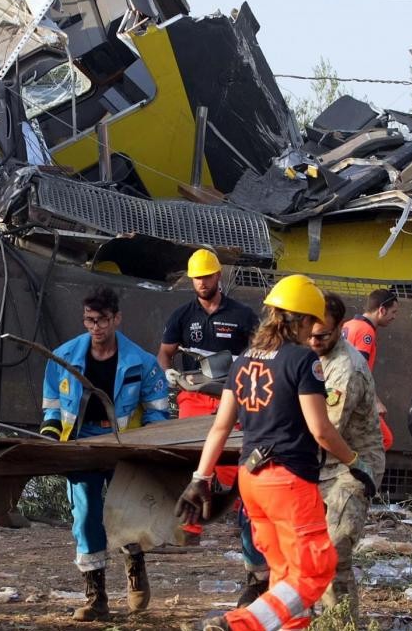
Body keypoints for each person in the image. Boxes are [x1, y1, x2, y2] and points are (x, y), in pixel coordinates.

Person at [177, 275, 369, 631]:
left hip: (252, 481)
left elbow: (220, 428)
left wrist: (199, 479)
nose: (314, 331)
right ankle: (239, 624)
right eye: (312, 322)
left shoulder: (243, 360)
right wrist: (356, 463)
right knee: (316, 569)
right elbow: (321, 430)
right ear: (301, 320)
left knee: (285, 575)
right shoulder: (302, 361)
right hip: (289, 483)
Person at [40, 286, 170, 621]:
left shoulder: (141, 363)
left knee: (126, 512)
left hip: (124, 444)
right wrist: (52, 433)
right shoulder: (63, 358)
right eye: (89, 320)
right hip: (82, 442)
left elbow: (157, 410)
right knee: (85, 515)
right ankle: (95, 596)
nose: (95, 327)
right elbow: (53, 406)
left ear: (116, 319)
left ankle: (135, 563)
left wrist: (148, 446)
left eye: (101, 320)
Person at [155, 249, 267, 601]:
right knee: (193, 459)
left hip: (230, 397)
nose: (202, 282)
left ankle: (240, 519)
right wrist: (167, 373)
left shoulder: (242, 315)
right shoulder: (182, 315)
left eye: (207, 276)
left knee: (233, 462)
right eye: (196, 278)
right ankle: (190, 527)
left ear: (219, 276)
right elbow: (165, 351)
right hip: (193, 396)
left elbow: (261, 351)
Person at [309, 293, 384, 624]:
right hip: (317, 463)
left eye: (322, 335)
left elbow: (325, 431)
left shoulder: (346, 368)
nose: (314, 342)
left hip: (353, 465)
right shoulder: (306, 353)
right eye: (309, 334)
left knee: (334, 550)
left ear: (340, 328)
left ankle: (342, 624)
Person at [341, 288, 399, 451]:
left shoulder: (348, 325)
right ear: (381, 310)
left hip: (343, 397)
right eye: (393, 312)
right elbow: (358, 371)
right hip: (356, 398)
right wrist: (375, 402)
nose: (394, 317)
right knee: (384, 440)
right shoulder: (365, 331)